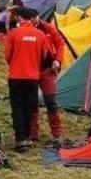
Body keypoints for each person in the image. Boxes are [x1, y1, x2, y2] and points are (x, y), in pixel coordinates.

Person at [3, 7, 51, 151]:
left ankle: (20, 139)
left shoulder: (13, 34)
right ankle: (27, 136)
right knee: (29, 107)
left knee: (17, 107)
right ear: (30, 18)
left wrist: (16, 63)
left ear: (19, 18)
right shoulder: (40, 35)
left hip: (16, 76)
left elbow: (7, 56)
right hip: (32, 77)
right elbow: (45, 56)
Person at [29, 14, 66, 147]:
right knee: (31, 103)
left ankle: (57, 134)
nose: (34, 21)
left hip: (47, 71)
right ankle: (33, 133)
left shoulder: (48, 28)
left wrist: (57, 60)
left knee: (51, 102)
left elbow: (60, 44)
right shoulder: (24, 30)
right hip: (31, 72)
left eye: (35, 18)